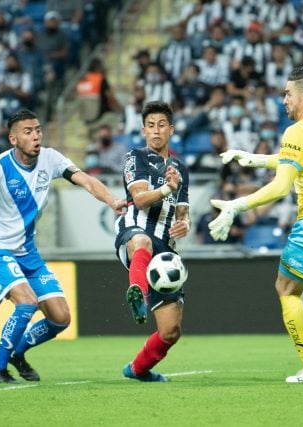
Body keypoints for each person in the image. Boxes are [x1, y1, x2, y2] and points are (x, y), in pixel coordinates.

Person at [0, 109, 126, 384]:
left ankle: (17, 354)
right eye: (28, 132)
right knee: (27, 303)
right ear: (13, 139)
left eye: (37, 130)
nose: (35, 136)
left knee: (60, 318)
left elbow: (87, 180)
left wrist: (111, 200)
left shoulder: (51, 158)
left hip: (28, 252)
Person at [208, 66, 303, 384]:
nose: (283, 100)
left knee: (286, 289)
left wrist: (235, 206)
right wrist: (254, 158)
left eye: (287, 93)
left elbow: (281, 187)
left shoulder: (295, 132)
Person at [114, 101, 191, 382]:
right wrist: (167, 187)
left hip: (165, 250)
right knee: (143, 241)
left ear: (170, 130)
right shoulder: (137, 157)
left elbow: (183, 210)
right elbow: (139, 198)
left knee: (171, 331)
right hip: (134, 232)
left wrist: (185, 224)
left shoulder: (181, 167)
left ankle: (138, 370)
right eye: (150, 125)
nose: (156, 131)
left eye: (161, 125)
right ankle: (138, 290)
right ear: (143, 130)